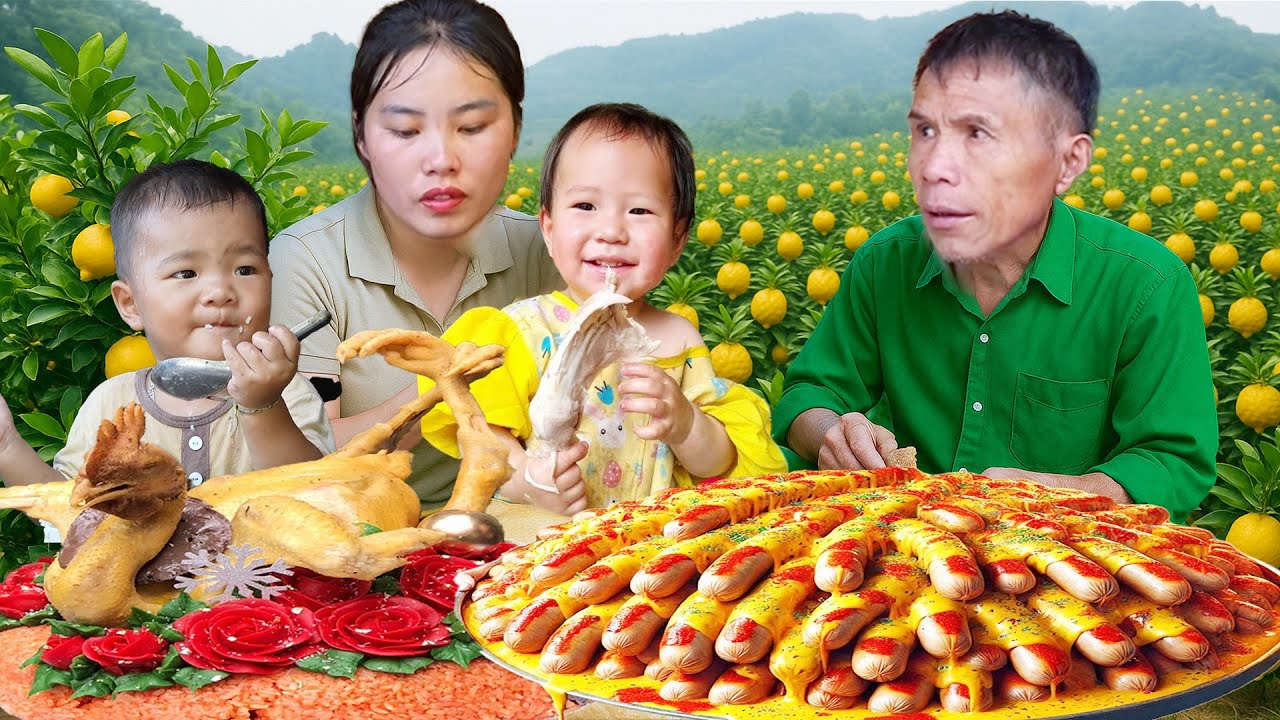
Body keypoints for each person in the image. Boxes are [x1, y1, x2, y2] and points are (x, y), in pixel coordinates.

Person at [771, 10, 1216, 522]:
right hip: (900, 552)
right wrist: (831, 430)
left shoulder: (1145, 285)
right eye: (925, 130)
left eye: (979, 134)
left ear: (1067, 162)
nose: (936, 167)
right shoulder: (885, 263)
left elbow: (1173, 461)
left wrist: (1070, 496)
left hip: (1069, 568)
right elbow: (810, 392)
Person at [419, 103, 786, 515]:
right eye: (585, 207)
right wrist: (527, 481)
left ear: (677, 239)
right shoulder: (520, 332)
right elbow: (484, 444)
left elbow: (720, 465)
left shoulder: (678, 340)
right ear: (549, 228)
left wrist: (687, 425)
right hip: (539, 545)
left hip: (642, 550)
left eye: (640, 211)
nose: (612, 231)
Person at [268, 0, 562, 510]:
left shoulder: (548, 252)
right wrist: (446, 380)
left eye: (472, 128)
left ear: (515, 128)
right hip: (367, 546)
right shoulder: (305, 261)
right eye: (405, 131)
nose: (441, 161)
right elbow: (303, 465)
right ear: (361, 134)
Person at [0, 159, 334, 499]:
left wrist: (262, 406)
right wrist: (7, 447)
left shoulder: (289, 395)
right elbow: (71, 510)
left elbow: (313, 497)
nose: (220, 291)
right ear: (130, 304)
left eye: (245, 269)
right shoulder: (111, 404)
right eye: (186, 273)